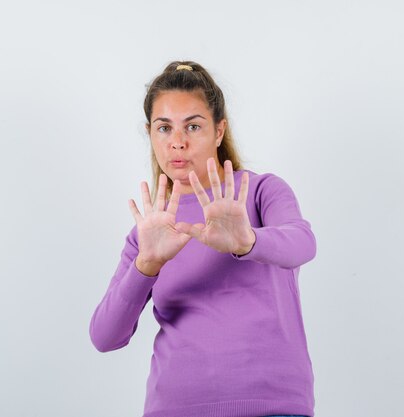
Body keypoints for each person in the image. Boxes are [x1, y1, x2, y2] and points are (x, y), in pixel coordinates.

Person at [89, 61, 316, 417]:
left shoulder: (258, 192)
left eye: (193, 126)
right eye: (164, 128)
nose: (177, 142)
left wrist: (247, 242)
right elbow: (105, 336)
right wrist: (146, 265)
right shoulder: (149, 231)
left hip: (272, 406)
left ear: (219, 131)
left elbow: (302, 243)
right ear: (150, 133)